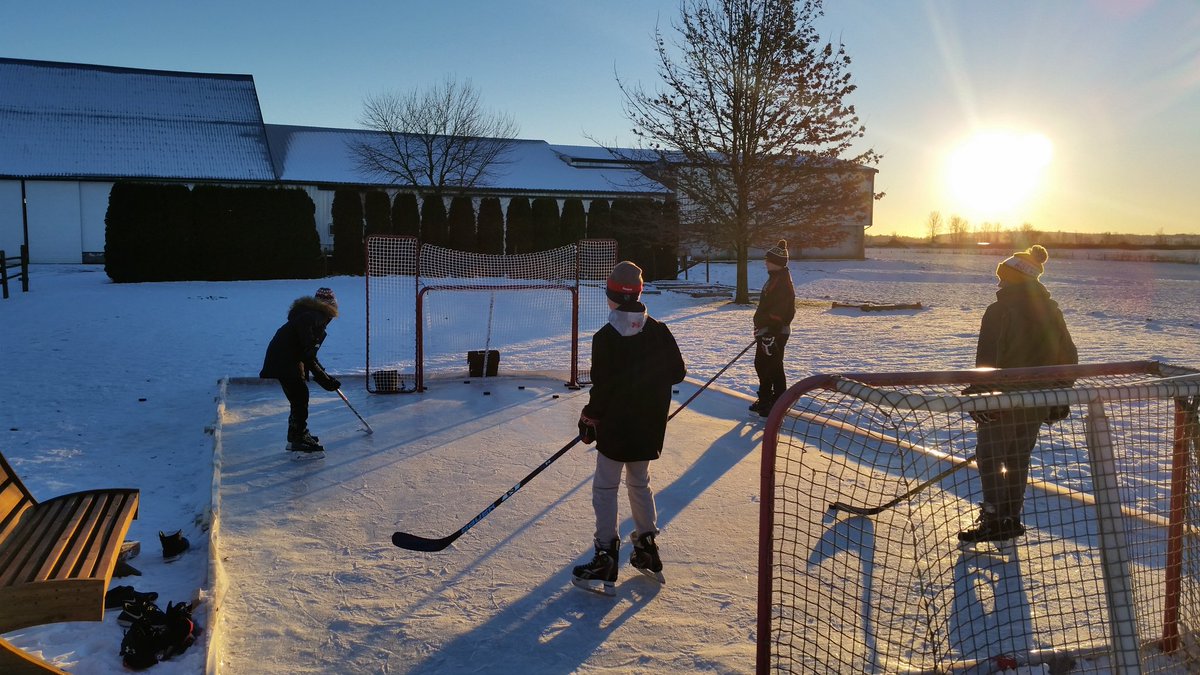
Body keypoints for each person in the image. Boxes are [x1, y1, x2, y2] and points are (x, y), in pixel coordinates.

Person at [573, 261, 687, 594]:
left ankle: (606, 553)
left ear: (611, 296)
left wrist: (589, 418)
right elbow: (677, 373)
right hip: (648, 428)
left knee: (606, 487)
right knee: (640, 482)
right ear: (638, 294)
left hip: (616, 430)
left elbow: (602, 388)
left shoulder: (605, 338)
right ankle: (647, 547)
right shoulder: (659, 331)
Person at [959, 245, 1077, 543]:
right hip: (1037, 402)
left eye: (1003, 277)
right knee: (1017, 458)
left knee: (990, 457)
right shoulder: (1051, 311)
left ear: (1015, 278)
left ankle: (994, 518)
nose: (999, 283)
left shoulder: (1000, 310)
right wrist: (1058, 395)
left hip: (1003, 400)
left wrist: (980, 396)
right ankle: (1010, 517)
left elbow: (988, 360)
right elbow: (1069, 355)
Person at [260, 287, 342, 453]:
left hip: (285, 358)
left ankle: (296, 435)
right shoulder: (312, 318)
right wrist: (325, 380)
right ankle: (298, 438)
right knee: (300, 396)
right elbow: (308, 355)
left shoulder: (309, 315)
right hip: (286, 360)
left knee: (298, 396)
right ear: (331, 307)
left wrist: (325, 377)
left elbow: (309, 353)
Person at [750, 240, 796, 417]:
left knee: (774, 366)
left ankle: (777, 403)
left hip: (775, 332)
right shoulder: (774, 278)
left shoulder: (782, 282)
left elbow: (782, 310)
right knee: (761, 365)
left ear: (777, 263)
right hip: (766, 331)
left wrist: (771, 331)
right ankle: (765, 399)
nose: (765, 263)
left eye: (768, 260)